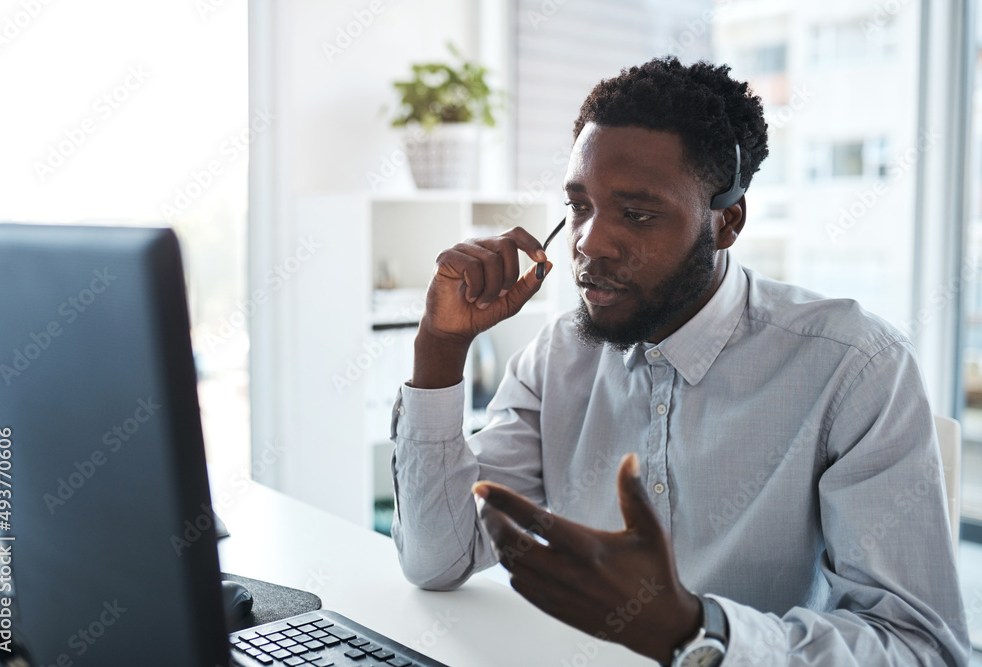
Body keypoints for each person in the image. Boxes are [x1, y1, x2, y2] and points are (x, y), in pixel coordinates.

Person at [388, 57, 971, 666]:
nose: (590, 242)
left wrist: (698, 629)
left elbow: (919, 649)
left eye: (637, 214)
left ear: (727, 223)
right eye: (580, 206)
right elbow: (437, 559)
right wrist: (439, 348)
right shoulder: (558, 357)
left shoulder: (852, 367)